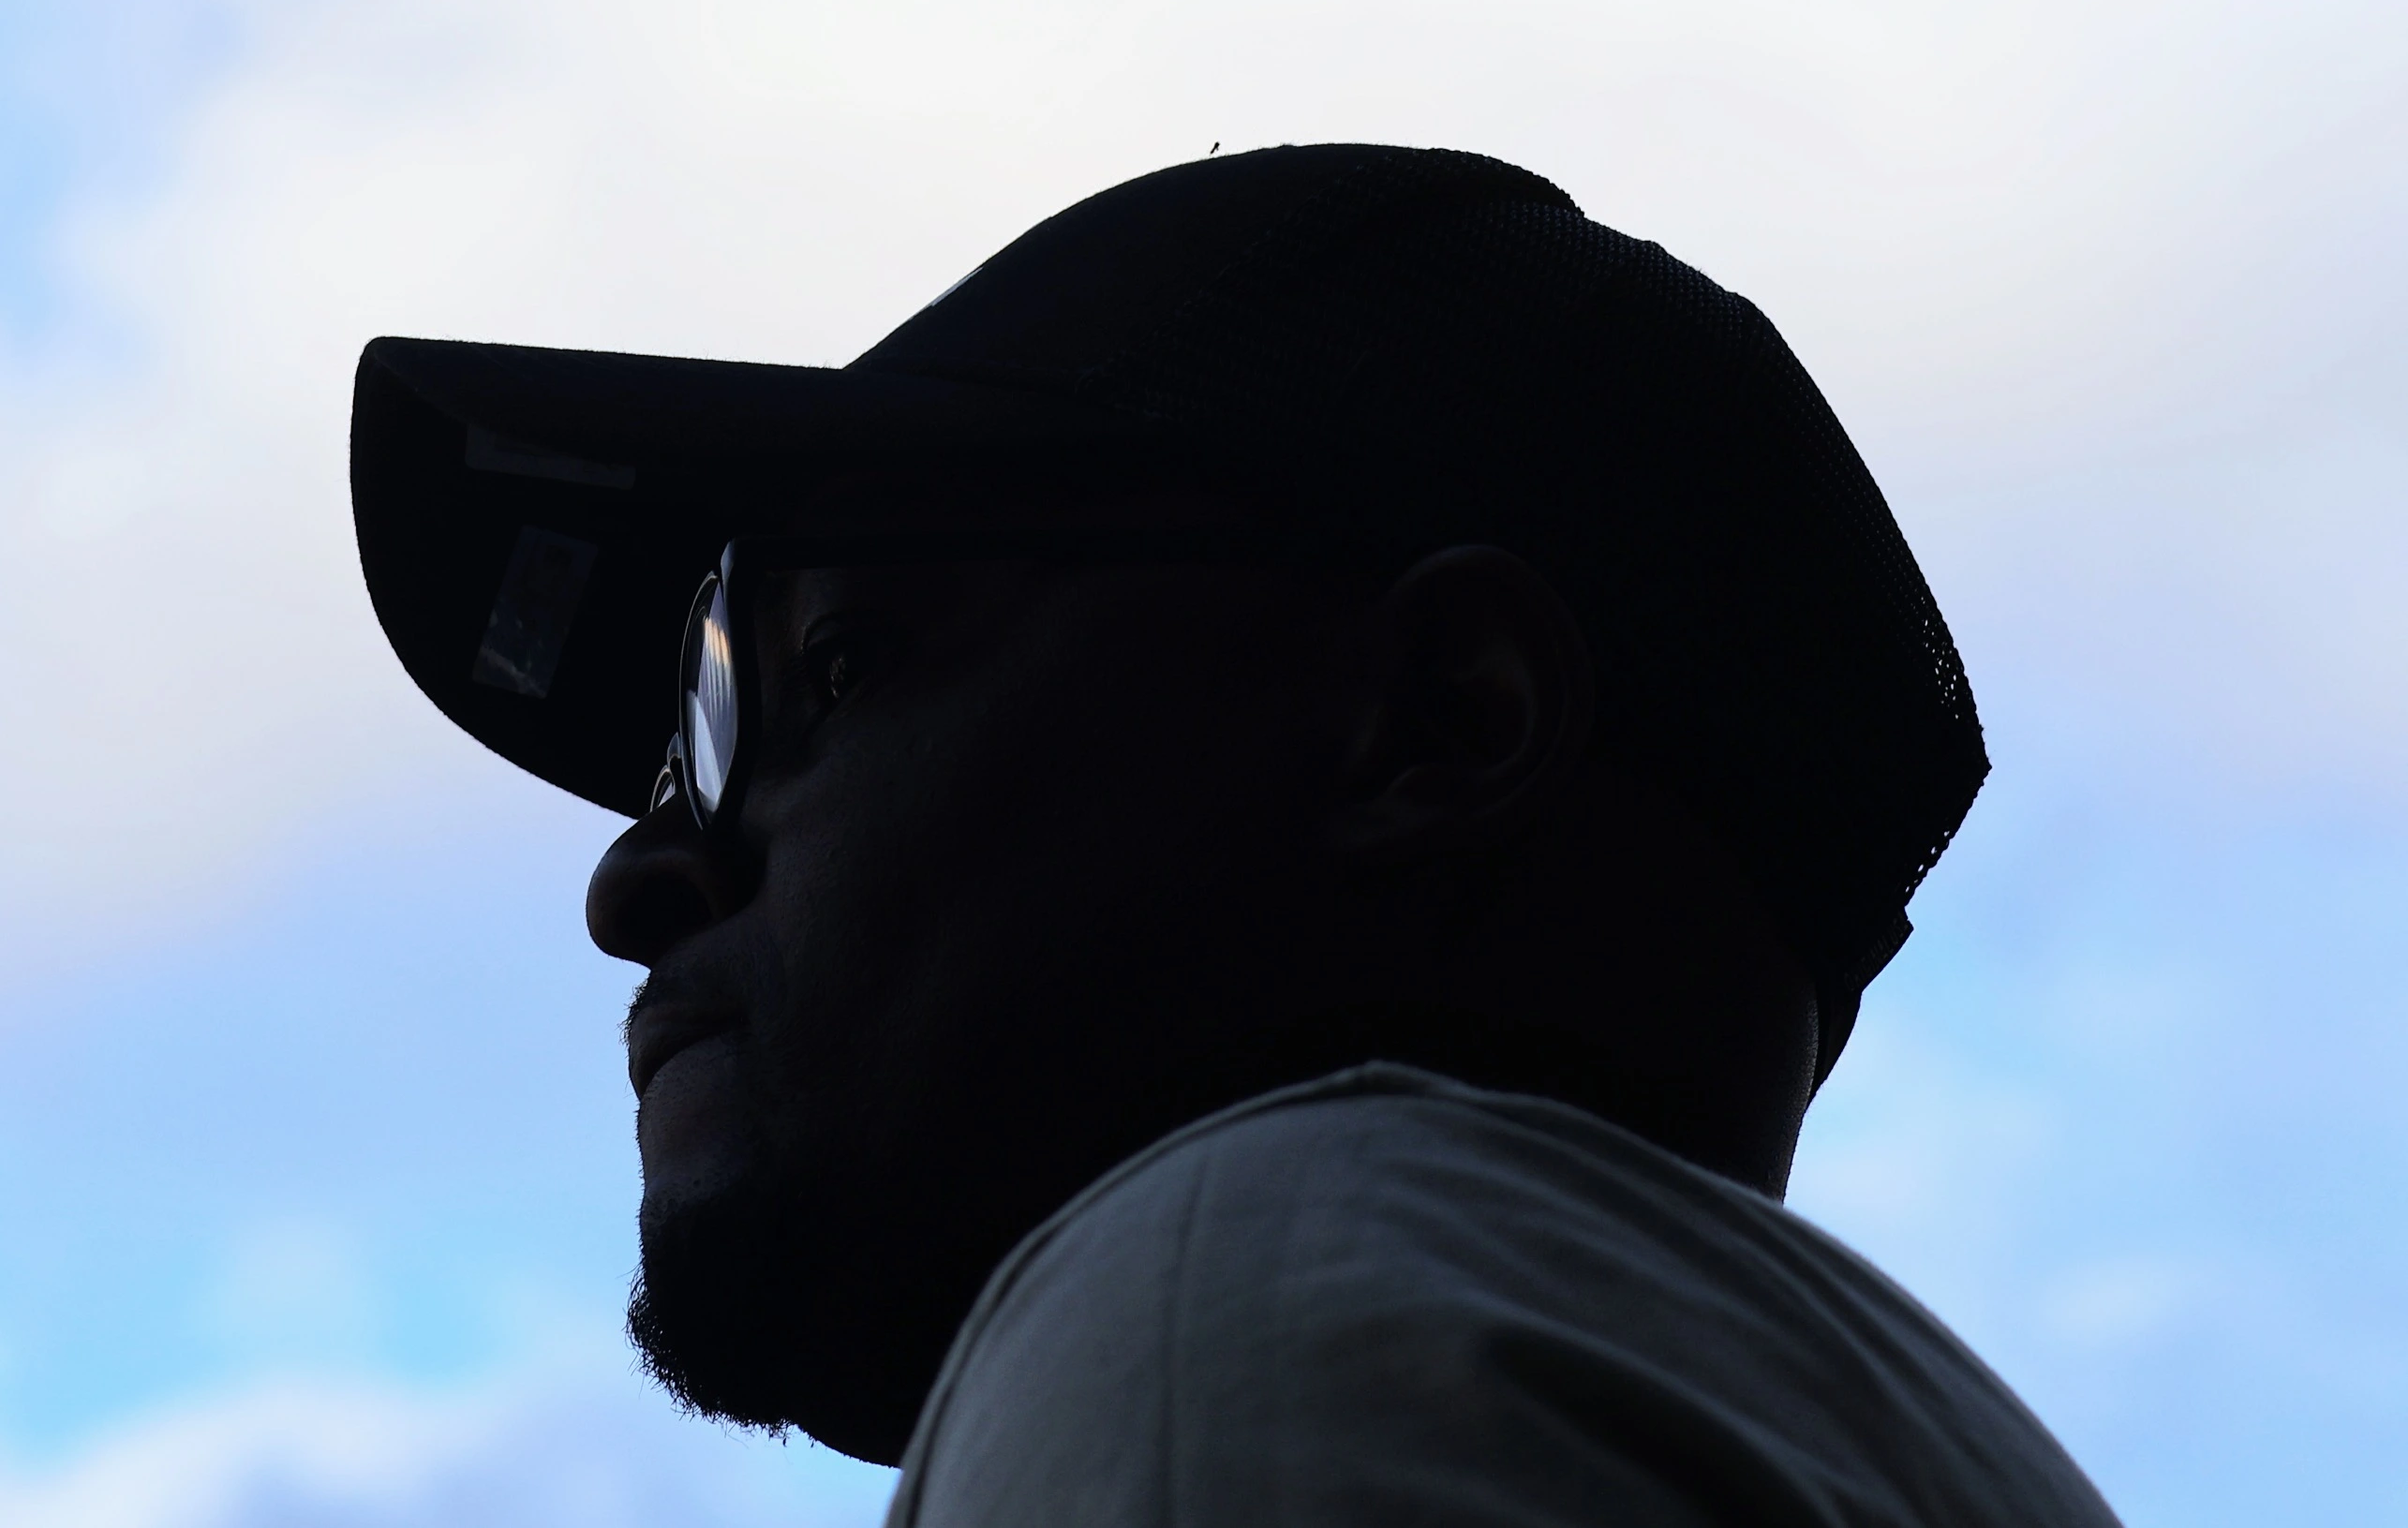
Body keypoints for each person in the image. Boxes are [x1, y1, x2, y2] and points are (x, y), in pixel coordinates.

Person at [352, 143, 2120, 1524]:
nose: (640, 872)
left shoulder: (1257, 1295)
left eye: (825, 673)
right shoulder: (1854, 1434)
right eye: (684, 752)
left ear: (1443, 718)